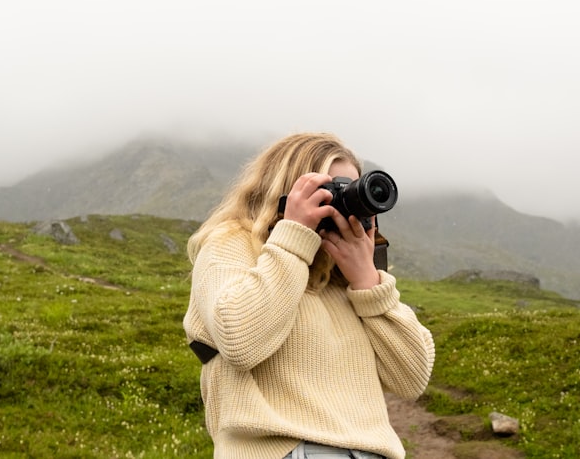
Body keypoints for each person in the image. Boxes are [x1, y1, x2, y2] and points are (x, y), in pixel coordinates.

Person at [183, 132, 436, 459]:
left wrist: (367, 280)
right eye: (331, 189)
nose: (344, 202)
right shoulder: (232, 245)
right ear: (287, 191)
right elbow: (239, 340)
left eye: (352, 189)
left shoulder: (346, 276)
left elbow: (412, 379)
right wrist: (295, 236)